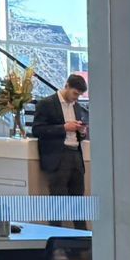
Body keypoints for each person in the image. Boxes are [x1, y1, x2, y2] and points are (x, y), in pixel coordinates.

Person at [32, 73, 89, 210]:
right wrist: (63, 127)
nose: (76, 98)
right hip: (58, 157)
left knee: (79, 200)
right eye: (75, 93)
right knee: (58, 202)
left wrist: (81, 132)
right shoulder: (47, 103)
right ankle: (57, 230)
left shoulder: (76, 106)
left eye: (79, 95)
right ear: (66, 86)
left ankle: (82, 231)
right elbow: (37, 130)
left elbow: (75, 132)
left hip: (76, 154)